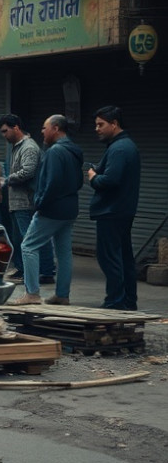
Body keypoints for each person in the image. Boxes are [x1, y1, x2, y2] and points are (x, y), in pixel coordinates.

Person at [8, 115, 83, 306]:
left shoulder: (55, 152)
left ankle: (32, 293)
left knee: (28, 246)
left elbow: (51, 183)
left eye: (44, 128)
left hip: (52, 209)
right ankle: (62, 295)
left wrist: (39, 203)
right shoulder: (75, 151)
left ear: (55, 128)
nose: (42, 132)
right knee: (64, 252)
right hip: (70, 208)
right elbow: (79, 181)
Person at [88, 105, 141, 311]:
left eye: (101, 125)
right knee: (124, 257)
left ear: (114, 124)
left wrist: (93, 177)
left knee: (109, 258)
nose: (97, 129)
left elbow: (110, 181)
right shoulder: (125, 146)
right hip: (122, 210)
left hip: (111, 211)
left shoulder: (119, 148)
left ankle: (115, 302)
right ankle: (128, 301)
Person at [0, 114, 55, 285]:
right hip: (18, 202)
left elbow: (28, 171)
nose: (4, 135)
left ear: (16, 127)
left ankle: (41, 272)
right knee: (23, 238)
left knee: (29, 239)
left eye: (5, 131)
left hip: (25, 202)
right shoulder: (18, 146)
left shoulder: (28, 147)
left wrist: (6, 180)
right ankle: (31, 270)